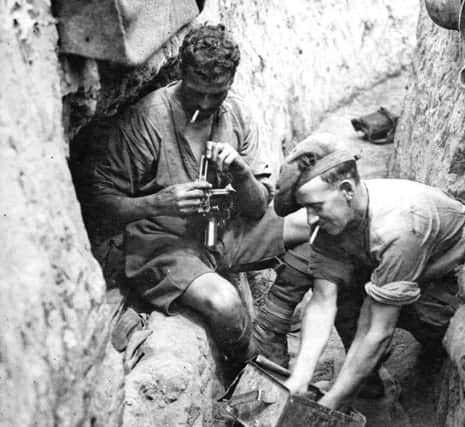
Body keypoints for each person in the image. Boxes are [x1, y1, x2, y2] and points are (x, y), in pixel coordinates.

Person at [87, 23, 308, 370]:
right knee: (225, 305)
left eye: (216, 94)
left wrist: (241, 172)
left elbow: (257, 206)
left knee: (315, 225)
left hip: (227, 229)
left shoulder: (237, 112)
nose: (205, 103)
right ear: (181, 73)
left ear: (230, 82)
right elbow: (100, 206)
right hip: (166, 244)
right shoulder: (147, 120)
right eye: (195, 92)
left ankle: (274, 325)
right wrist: (160, 202)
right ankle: (245, 367)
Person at [267, 132, 465, 409]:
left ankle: (366, 388)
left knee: (388, 318)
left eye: (316, 207)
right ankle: (367, 386)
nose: (311, 218)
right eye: (307, 209)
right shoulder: (335, 212)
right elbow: (323, 298)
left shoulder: (399, 228)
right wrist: (300, 378)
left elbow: (378, 328)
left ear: (347, 190)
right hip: (392, 272)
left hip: (448, 286)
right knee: (344, 294)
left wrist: (331, 403)